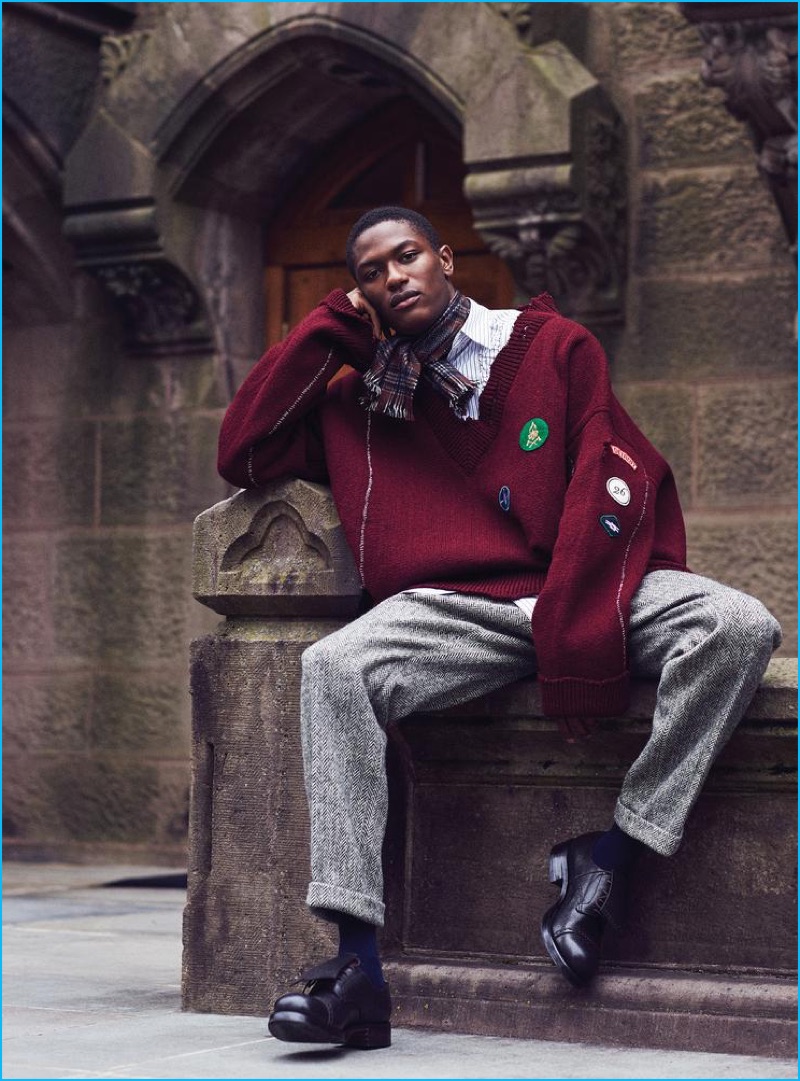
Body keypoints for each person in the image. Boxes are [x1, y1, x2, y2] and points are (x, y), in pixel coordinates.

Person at [217, 206, 781, 1050]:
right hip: (459, 609)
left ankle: (612, 858)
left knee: (739, 624)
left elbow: (607, 475)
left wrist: (575, 610)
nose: (393, 276)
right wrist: (331, 329)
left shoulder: (552, 347)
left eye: (407, 256)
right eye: (370, 273)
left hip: (587, 580)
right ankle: (357, 969)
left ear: (445, 258)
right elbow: (243, 447)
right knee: (337, 666)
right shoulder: (360, 399)